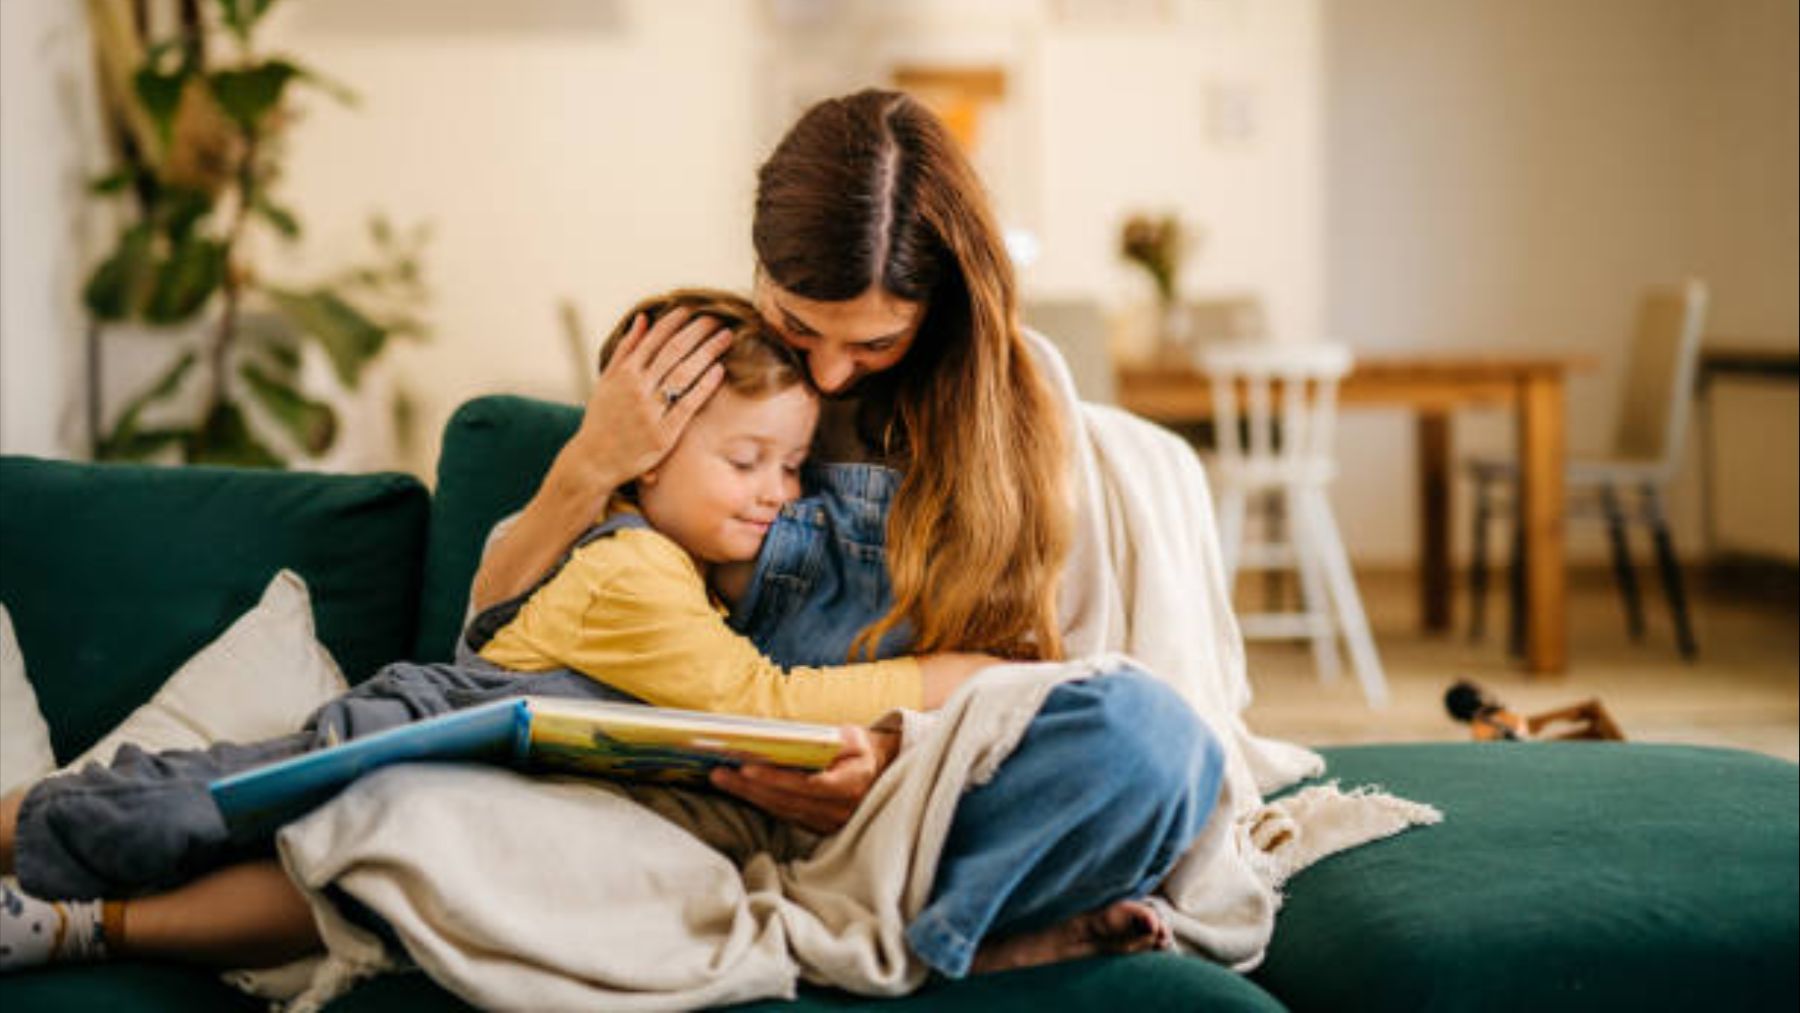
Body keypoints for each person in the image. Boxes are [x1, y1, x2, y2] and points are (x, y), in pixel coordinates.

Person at [0, 288, 999, 973]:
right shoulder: (633, 566)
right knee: (184, 803)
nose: (780, 495)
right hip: (412, 726)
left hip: (472, 771)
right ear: (646, 458)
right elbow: (762, 702)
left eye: (791, 466)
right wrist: (949, 676)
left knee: (339, 893)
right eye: (749, 461)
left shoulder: (683, 571)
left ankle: (74, 926)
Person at [471, 88, 1225, 979]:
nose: (827, 372)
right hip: (722, 803)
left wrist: (896, 757)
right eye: (799, 324)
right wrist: (590, 460)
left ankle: (896, 929)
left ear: (937, 310)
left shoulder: (1019, 405)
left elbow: (1060, 673)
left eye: (875, 343)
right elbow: (491, 635)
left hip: (933, 794)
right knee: (466, 810)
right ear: (761, 267)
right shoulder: (717, 378)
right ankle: (951, 944)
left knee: (1153, 744)